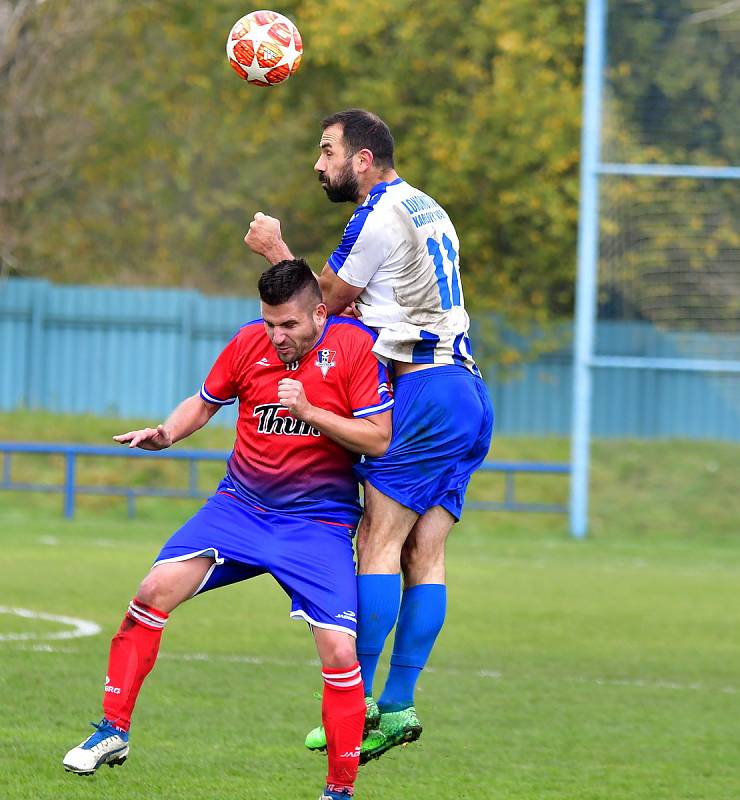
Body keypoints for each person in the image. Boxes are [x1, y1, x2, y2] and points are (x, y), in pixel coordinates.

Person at [62, 259, 394, 800]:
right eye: (269, 323)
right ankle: (113, 730)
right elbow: (206, 400)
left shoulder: (354, 346)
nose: (277, 337)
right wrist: (167, 432)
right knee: (151, 594)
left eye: (288, 326)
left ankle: (339, 791)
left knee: (339, 653)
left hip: (319, 522)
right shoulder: (248, 344)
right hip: (239, 510)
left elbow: (377, 438)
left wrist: (310, 411)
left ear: (318, 313)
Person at [244, 109, 494, 762]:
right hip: (467, 392)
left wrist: (275, 249)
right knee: (425, 555)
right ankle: (400, 704)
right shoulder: (427, 207)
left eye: (327, 151)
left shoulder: (376, 216)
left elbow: (319, 306)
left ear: (362, 159)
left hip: (425, 394)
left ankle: (351, 706)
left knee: (376, 543)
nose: (318, 164)